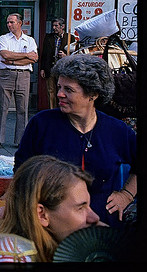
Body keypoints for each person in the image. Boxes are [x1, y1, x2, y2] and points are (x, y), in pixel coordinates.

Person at [14, 54, 137, 228]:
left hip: (100, 227)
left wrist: (126, 195)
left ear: (93, 94)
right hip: (50, 228)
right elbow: (21, 170)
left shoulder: (117, 131)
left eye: (69, 90)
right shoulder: (41, 124)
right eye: (59, 87)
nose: (59, 94)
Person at [0, 155, 101, 262]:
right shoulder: (11, 259)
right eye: (80, 208)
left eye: (88, 206)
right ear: (41, 214)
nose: (95, 217)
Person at [0, 13, 38, 150]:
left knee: (23, 109)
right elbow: (5, 54)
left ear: (20, 23)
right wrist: (25, 55)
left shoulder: (29, 40)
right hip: (6, 75)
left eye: (12, 22)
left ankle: (21, 140)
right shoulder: (3, 39)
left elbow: (34, 58)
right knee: (2, 108)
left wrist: (12, 61)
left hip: (24, 75)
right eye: (7, 22)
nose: (9, 25)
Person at [39, 18, 73, 109]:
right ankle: (52, 111)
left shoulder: (70, 37)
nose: (54, 28)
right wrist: (42, 68)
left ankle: (61, 110)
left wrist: (66, 56)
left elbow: (75, 54)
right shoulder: (49, 37)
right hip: (50, 67)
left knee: (62, 90)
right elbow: (44, 53)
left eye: (56, 26)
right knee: (51, 91)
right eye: (53, 26)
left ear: (62, 26)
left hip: (63, 69)